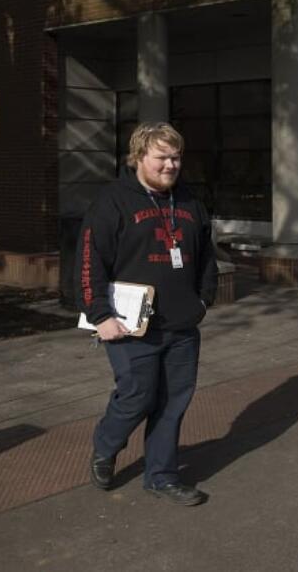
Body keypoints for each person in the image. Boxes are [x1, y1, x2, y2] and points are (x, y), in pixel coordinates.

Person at [78, 121, 217, 506]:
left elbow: (206, 257)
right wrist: (100, 315)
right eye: (162, 157)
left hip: (182, 325)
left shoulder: (189, 201)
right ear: (139, 156)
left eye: (176, 157)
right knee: (137, 395)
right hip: (128, 326)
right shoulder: (113, 201)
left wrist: (204, 300)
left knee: (173, 401)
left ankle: (161, 475)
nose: (171, 165)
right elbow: (90, 262)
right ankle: (107, 445)